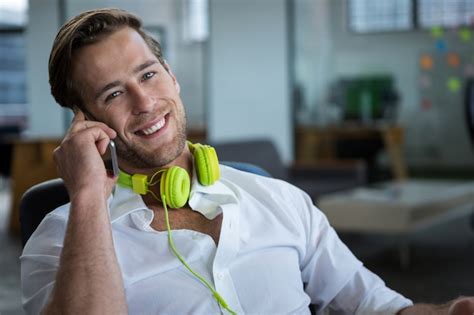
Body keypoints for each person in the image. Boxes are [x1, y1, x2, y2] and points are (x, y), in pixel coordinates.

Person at [20, 8, 474, 315]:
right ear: (85, 123)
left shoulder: (279, 199)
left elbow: (378, 307)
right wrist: (86, 198)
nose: (145, 102)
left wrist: (447, 312)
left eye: (149, 74)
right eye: (113, 93)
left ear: (172, 79)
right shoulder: (61, 241)